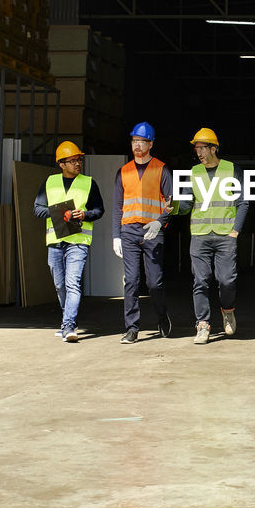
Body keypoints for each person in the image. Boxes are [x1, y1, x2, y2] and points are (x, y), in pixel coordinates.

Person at [175, 128, 248, 345]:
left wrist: (235, 231)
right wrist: (173, 207)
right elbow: (187, 204)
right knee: (200, 281)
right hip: (200, 235)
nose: (198, 152)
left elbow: (243, 202)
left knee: (226, 280)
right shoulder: (193, 172)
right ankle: (203, 325)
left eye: (202, 148)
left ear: (214, 148)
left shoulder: (232, 169)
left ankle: (228, 311)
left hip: (226, 235)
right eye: (196, 148)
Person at [33, 141, 104, 342]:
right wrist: (58, 213)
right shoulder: (49, 182)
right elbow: (37, 209)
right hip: (55, 241)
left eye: (78, 160)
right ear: (61, 164)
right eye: (72, 161)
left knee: (73, 283)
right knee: (59, 285)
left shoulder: (89, 183)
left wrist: (85, 214)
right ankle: (68, 319)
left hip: (78, 241)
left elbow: (99, 210)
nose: (77, 163)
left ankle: (69, 326)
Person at [113, 122, 173, 344]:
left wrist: (160, 222)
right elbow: (117, 206)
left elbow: (171, 202)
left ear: (150, 144)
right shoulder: (124, 171)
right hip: (129, 231)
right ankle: (132, 328)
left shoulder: (161, 169)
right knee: (131, 281)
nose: (137, 146)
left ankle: (161, 315)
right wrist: (115, 235)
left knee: (154, 282)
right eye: (134, 141)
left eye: (141, 142)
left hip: (152, 231)